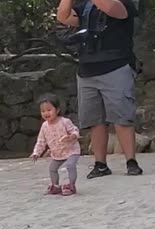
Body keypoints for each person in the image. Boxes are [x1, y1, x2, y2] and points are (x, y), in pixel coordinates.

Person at [57, 0, 143, 178]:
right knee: (95, 120)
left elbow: (111, 9)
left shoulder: (124, 3)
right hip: (86, 70)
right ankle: (100, 164)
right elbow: (63, 16)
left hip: (116, 67)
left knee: (122, 117)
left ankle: (131, 162)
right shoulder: (86, 8)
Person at [30, 94, 81, 196]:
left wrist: (71, 137)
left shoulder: (65, 122)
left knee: (70, 165)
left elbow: (75, 131)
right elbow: (41, 141)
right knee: (52, 168)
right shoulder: (44, 126)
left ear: (57, 110)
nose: (46, 113)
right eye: (43, 111)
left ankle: (70, 185)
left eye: (49, 110)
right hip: (57, 153)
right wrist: (36, 153)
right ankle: (55, 186)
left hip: (72, 150)